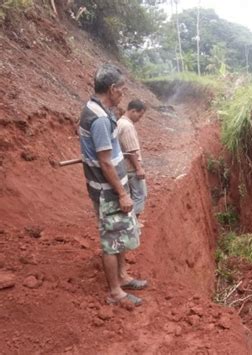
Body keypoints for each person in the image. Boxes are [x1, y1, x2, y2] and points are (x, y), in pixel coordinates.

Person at [78, 64, 147, 306]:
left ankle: (123, 275)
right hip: (107, 191)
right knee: (111, 239)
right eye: (122, 90)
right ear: (112, 88)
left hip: (112, 188)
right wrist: (122, 193)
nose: (123, 94)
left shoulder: (101, 111)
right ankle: (116, 292)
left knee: (119, 234)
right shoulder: (98, 119)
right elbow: (106, 163)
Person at [117, 100, 147, 222]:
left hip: (123, 167)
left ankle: (129, 220)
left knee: (130, 196)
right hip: (131, 168)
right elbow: (131, 151)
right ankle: (133, 222)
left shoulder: (119, 122)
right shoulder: (127, 126)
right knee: (140, 195)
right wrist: (139, 168)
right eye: (139, 115)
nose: (140, 119)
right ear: (133, 110)